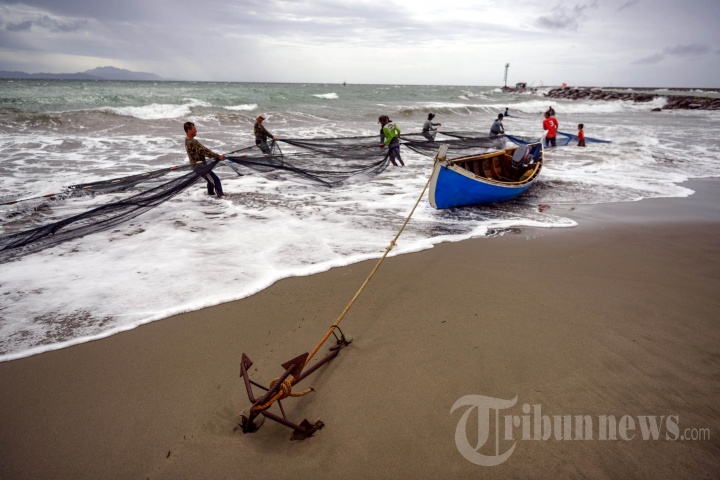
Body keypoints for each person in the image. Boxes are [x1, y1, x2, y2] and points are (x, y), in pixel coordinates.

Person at [184, 121, 226, 198]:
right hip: (199, 167)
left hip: (198, 166)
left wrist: (217, 156)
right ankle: (221, 198)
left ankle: (210, 197)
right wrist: (218, 157)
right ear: (189, 130)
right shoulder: (192, 142)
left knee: (210, 181)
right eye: (194, 129)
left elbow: (203, 152)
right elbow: (205, 151)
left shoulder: (187, 140)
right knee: (215, 180)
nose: (196, 130)